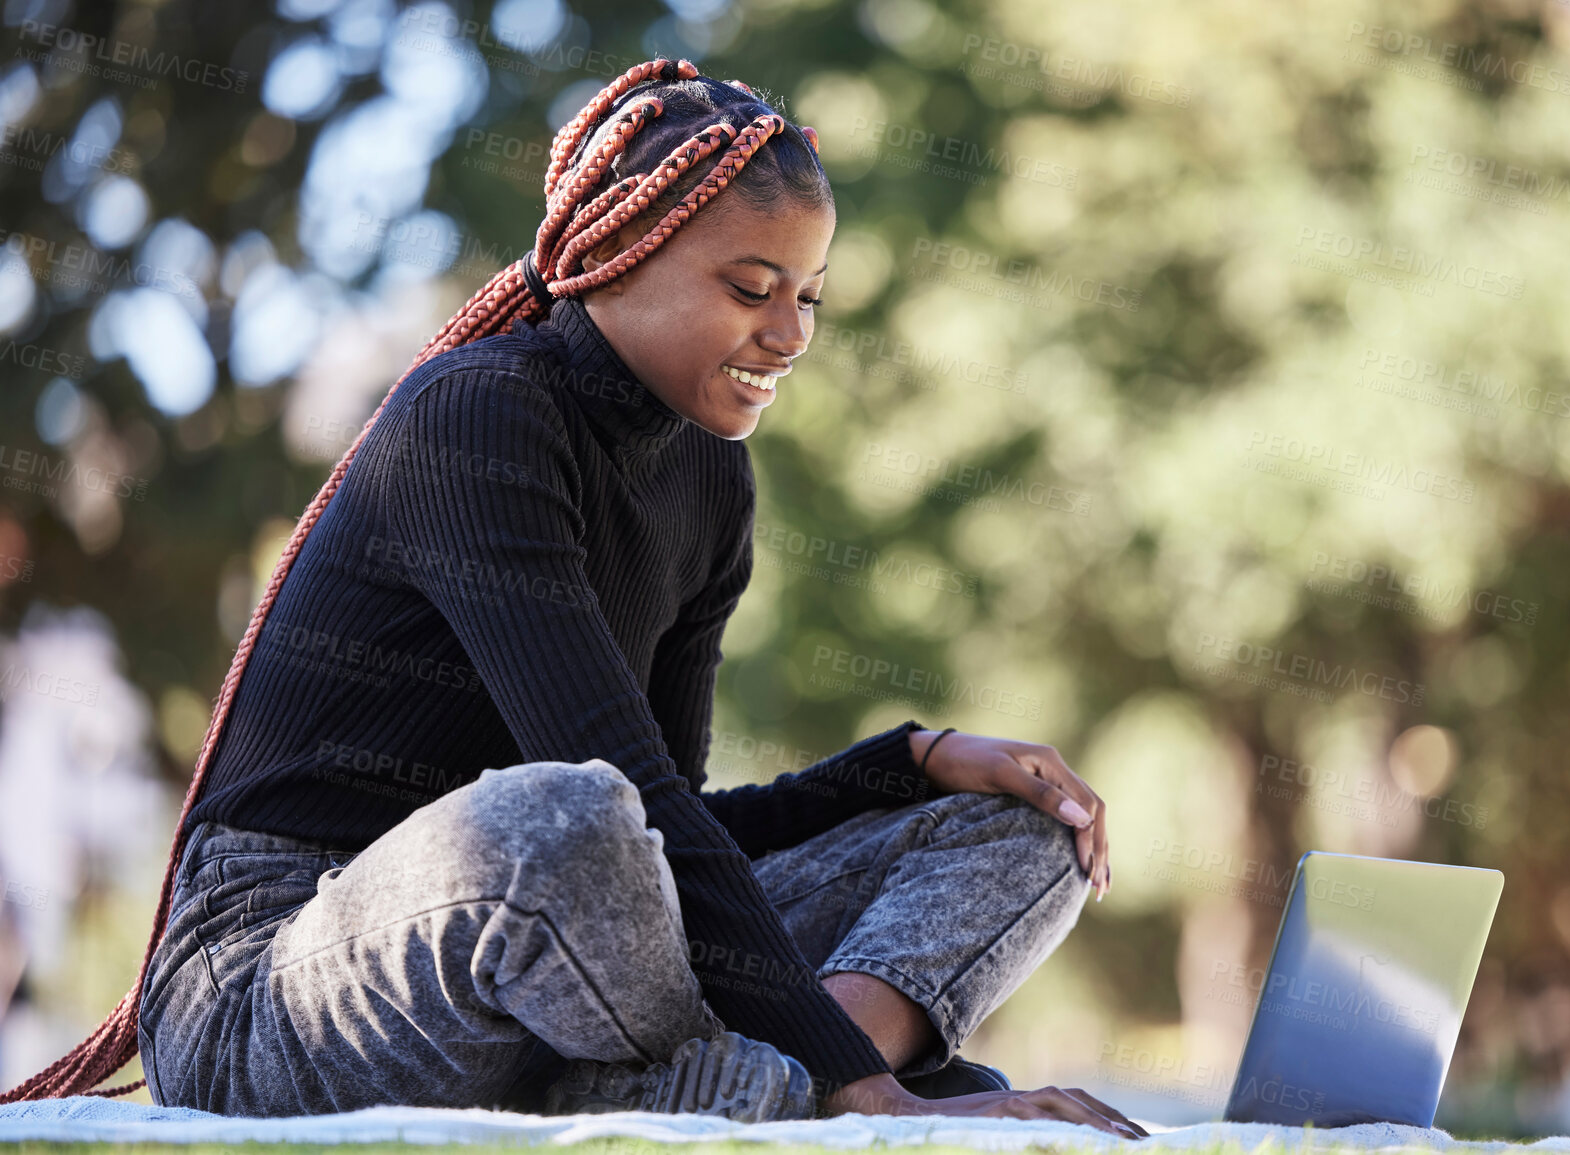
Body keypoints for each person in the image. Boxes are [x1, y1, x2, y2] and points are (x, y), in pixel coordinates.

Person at [0, 60, 1143, 1138]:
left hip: (573, 967)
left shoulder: (709, 475)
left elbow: (672, 833)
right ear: (620, 255)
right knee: (563, 818)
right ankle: (827, 1090)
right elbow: (609, 814)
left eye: (809, 295)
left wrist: (908, 763)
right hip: (278, 982)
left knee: (1025, 824)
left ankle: (762, 1084)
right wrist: (874, 1093)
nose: (789, 335)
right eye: (752, 287)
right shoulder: (479, 419)